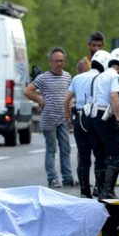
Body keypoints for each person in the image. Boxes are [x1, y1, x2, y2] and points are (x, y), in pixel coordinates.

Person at [24, 47, 74, 188]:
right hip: (48, 118)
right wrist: (39, 100)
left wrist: (70, 116)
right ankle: (52, 178)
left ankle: (67, 178)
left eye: (62, 61)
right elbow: (27, 91)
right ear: (51, 62)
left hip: (63, 118)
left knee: (66, 148)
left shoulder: (67, 76)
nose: (59, 63)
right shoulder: (43, 77)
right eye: (57, 61)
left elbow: (69, 97)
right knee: (51, 149)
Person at [63, 50, 111, 198]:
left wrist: (69, 118)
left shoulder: (77, 78)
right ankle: (99, 187)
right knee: (100, 155)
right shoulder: (104, 78)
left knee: (83, 156)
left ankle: (84, 192)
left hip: (79, 118)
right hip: (96, 118)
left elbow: (66, 101)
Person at [89, 48, 119, 199]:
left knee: (101, 152)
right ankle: (107, 190)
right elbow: (114, 95)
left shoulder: (100, 76)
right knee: (116, 153)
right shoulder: (116, 76)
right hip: (106, 116)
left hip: (94, 116)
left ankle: (100, 188)